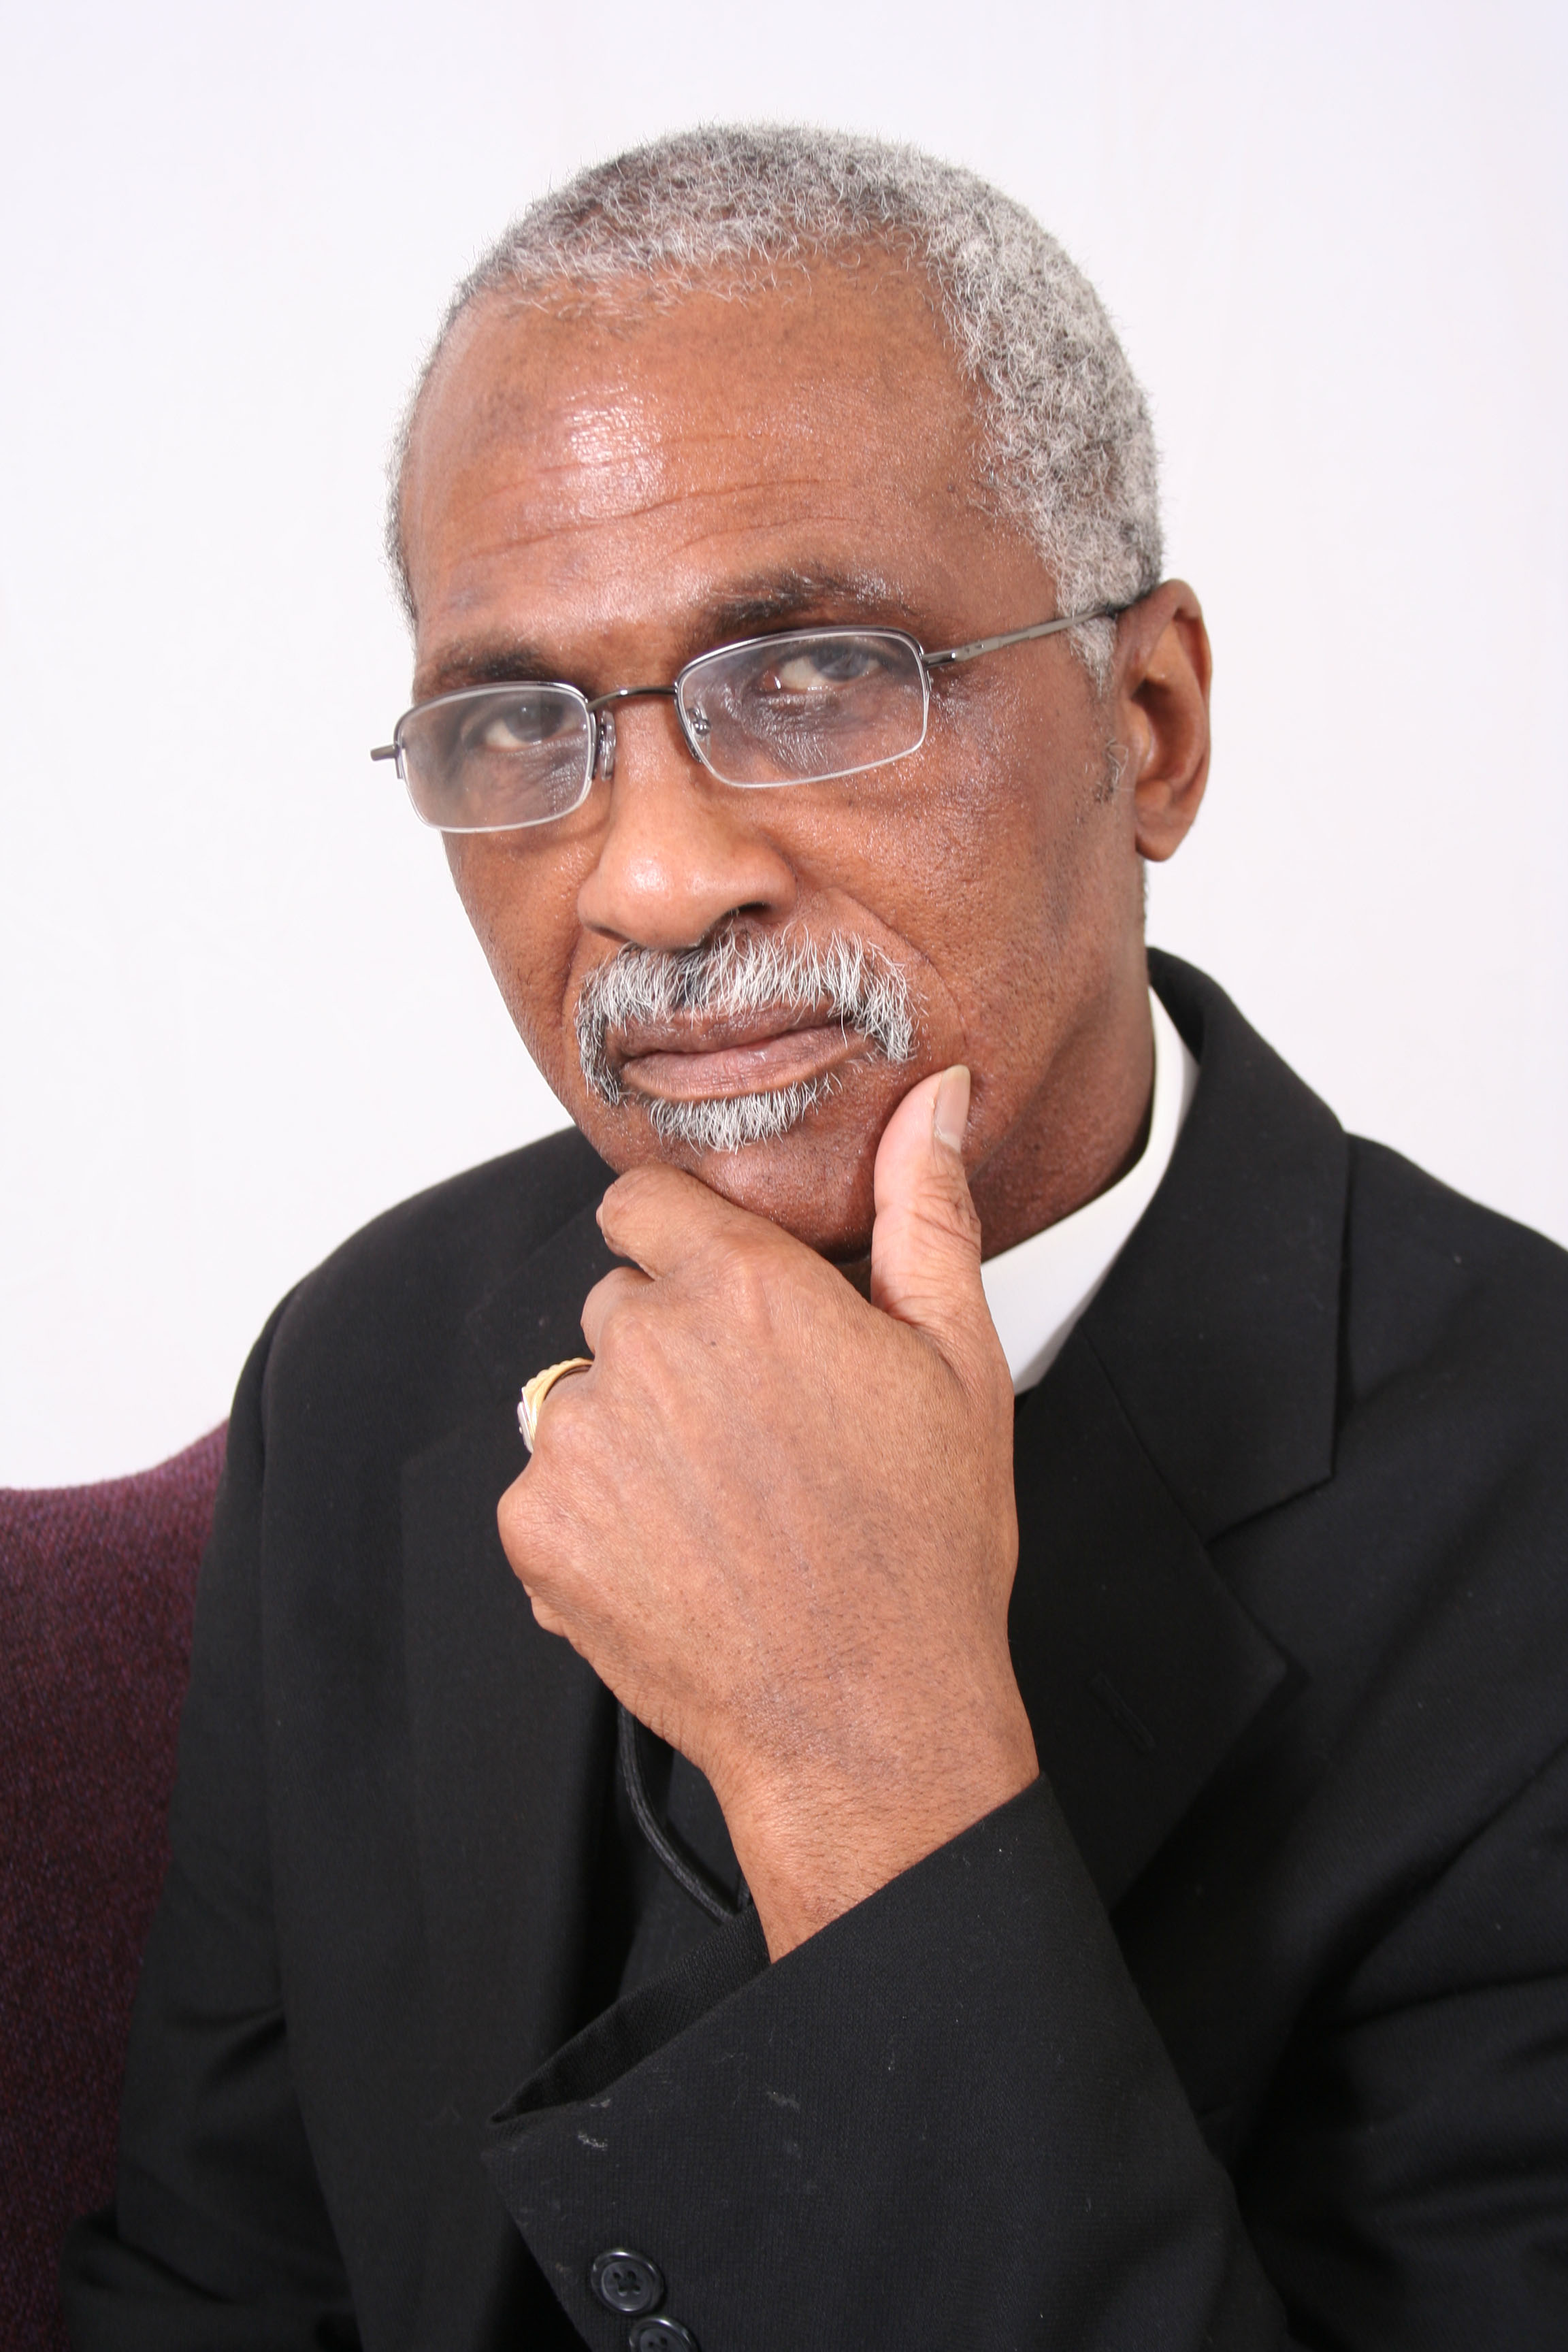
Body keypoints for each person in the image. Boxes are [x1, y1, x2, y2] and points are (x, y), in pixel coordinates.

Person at [63, 127, 1568, 2351]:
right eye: (517, 725)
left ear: (1150, 728)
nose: (655, 879)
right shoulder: (369, 1364)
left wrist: (865, 1763)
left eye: (815, 676)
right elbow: (212, 2293)